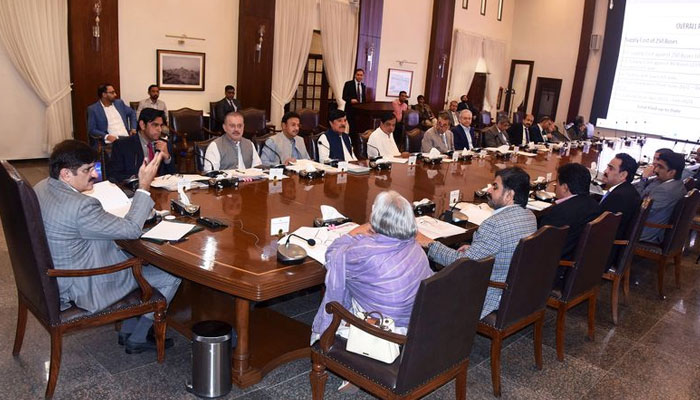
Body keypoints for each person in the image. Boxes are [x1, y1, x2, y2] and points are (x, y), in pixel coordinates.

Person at [34, 140, 181, 354]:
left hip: (58, 274)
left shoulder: (42, 186)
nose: (94, 175)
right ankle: (138, 337)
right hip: (84, 283)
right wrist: (143, 187)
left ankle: (128, 328)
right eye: (87, 170)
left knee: (128, 252)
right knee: (170, 274)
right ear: (65, 174)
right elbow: (131, 229)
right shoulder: (81, 206)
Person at [311, 190, 432, 342]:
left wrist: (355, 232)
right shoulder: (415, 247)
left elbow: (333, 255)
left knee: (345, 281)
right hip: (417, 324)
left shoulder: (365, 253)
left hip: (384, 333)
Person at [416, 167, 537, 319]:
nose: (489, 191)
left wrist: (428, 243)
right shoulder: (529, 216)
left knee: (426, 282)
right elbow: (505, 246)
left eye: (495, 187)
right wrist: (476, 248)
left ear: (509, 195)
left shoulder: (495, 224)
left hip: (493, 293)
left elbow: (461, 263)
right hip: (517, 289)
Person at [539, 163, 602, 262]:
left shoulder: (559, 212)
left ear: (565, 187)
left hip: (555, 269)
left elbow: (539, 247)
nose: (555, 187)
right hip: (583, 264)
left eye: (557, 183)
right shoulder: (595, 206)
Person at [108, 108, 176, 182]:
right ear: (142, 125)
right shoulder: (122, 145)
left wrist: (167, 158)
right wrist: (138, 178)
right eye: (155, 125)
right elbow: (114, 175)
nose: (159, 129)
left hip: (161, 191)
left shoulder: (165, 144)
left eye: (161, 125)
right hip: (135, 189)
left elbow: (173, 175)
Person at [600, 153, 642, 269]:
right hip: (613, 247)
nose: (605, 171)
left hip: (603, 254)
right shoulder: (628, 191)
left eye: (610, 168)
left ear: (623, 175)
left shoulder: (618, 197)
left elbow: (599, 228)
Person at [634, 151, 687, 243]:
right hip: (655, 228)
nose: (655, 170)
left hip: (644, 234)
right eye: (657, 166)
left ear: (672, 172)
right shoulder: (678, 184)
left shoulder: (664, 190)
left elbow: (636, 207)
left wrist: (643, 178)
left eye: (661, 167)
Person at [342, 68, 366, 145]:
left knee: (358, 127)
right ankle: (351, 143)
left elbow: (363, 98)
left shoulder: (363, 86)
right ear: (355, 75)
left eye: (361, 75)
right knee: (352, 127)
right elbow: (344, 96)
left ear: (363, 76)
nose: (359, 76)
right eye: (358, 75)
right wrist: (351, 100)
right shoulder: (348, 84)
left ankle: (357, 143)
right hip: (350, 109)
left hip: (360, 111)